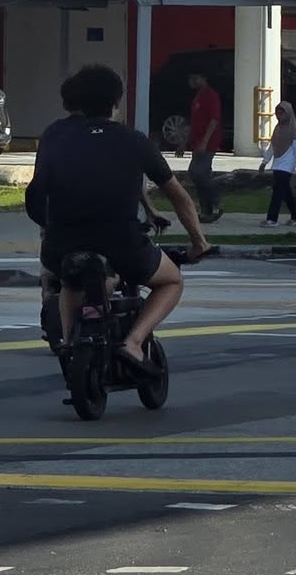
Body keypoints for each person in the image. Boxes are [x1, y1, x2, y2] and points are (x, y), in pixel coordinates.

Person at [27, 64, 210, 368]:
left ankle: (72, 345)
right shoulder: (134, 140)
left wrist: (48, 227)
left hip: (63, 242)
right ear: (115, 103)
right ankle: (134, 341)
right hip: (121, 242)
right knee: (171, 282)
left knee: (71, 283)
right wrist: (198, 241)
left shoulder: (54, 136)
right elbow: (178, 195)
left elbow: (35, 193)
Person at [259, 100, 296, 226]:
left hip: (287, 166)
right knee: (285, 192)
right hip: (278, 164)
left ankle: (272, 219)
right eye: (277, 113)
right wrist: (265, 162)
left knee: (278, 192)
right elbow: (272, 147)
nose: (279, 116)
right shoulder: (277, 129)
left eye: (282, 113)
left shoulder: (293, 130)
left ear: (288, 114)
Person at [186, 69, 223, 222]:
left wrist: (204, 142)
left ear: (204, 78)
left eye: (195, 78)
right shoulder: (197, 97)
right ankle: (206, 210)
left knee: (197, 172)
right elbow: (194, 121)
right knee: (199, 174)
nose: (192, 82)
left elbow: (214, 120)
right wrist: (186, 142)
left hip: (208, 142)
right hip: (197, 142)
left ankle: (216, 201)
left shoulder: (211, 96)